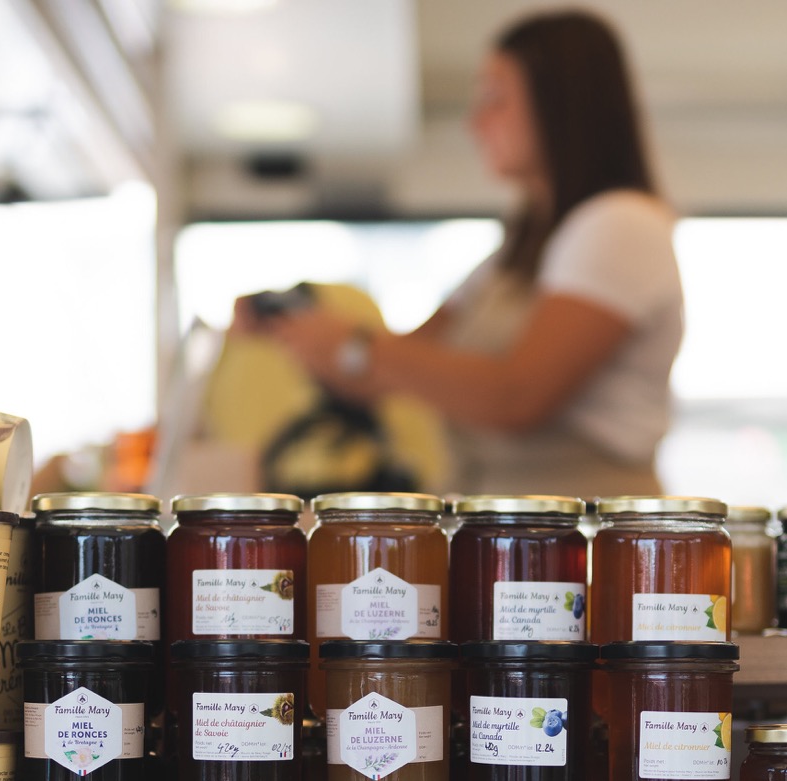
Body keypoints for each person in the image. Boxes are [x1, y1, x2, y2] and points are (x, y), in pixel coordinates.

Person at [248, 8, 684, 498]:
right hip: (499, 526)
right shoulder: (517, 249)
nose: (475, 121)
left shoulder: (619, 224)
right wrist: (302, 332)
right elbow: (404, 363)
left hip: (581, 535)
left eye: (495, 98)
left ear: (560, 103)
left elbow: (517, 397)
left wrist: (355, 347)